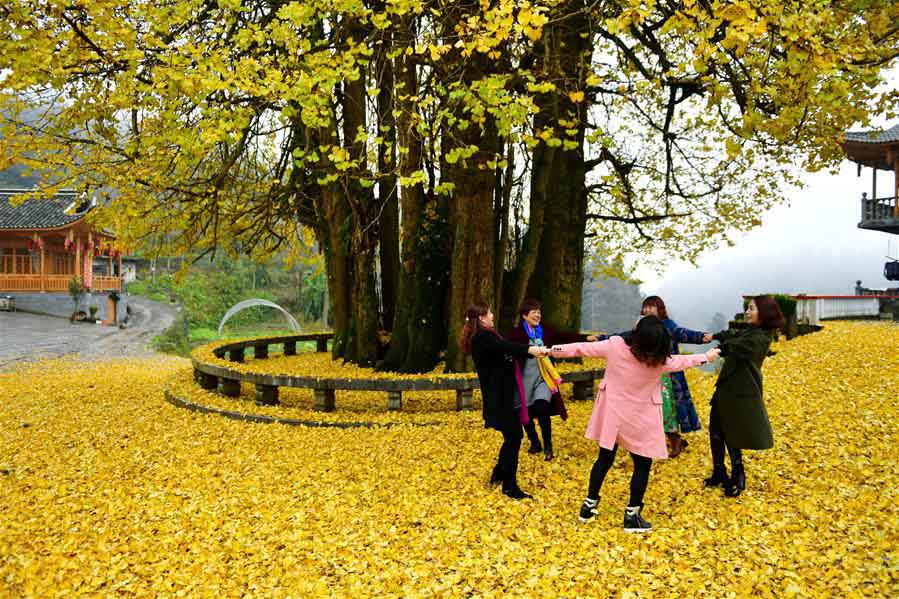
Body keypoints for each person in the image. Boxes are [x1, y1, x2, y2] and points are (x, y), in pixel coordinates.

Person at [551, 316, 720, 532]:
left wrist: (550, 350)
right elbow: (683, 361)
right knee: (642, 465)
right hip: (641, 419)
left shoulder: (615, 346)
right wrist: (707, 356)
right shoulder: (660, 361)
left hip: (613, 415)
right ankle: (632, 515)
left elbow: (582, 348)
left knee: (604, 459)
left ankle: (589, 505)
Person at [460, 302, 549, 500]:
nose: (492, 315)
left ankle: (500, 474)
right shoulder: (483, 336)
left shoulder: (484, 334)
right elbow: (504, 347)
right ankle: (510, 486)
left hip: (502, 395)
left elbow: (502, 351)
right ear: (482, 317)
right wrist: (530, 350)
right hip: (498, 397)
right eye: (490, 312)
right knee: (514, 436)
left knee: (513, 435)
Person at [704, 295, 784, 497]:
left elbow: (737, 347)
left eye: (751, 309)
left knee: (732, 432)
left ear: (763, 313)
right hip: (726, 388)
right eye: (747, 308)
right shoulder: (750, 331)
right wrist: (715, 335)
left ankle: (738, 474)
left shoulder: (761, 337)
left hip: (741, 392)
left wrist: (718, 350)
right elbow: (733, 334)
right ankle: (719, 471)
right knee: (716, 430)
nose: (747, 312)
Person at [505, 299, 598, 461]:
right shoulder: (516, 333)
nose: (538, 315)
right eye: (534, 312)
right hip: (523, 380)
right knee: (523, 412)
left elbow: (565, 337)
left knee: (542, 407)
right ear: (524, 316)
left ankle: (548, 446)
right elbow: (507, 349)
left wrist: (586, 338)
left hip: (544, 378)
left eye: (539, 312)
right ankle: (535, 442)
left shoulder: (545, 331)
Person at [639, 296, 713, 457]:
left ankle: (675, 440)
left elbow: (683, 333)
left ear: (660, 309)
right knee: (649, 408)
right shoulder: (642, 327)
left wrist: (701, 337)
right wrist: (602, 338)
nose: (647, 310)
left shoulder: (668, 325)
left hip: (668, 375)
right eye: (645, 307)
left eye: (651, 307)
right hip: (648, 374)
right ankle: (664, 440)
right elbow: (625, 337)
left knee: (668, 409)